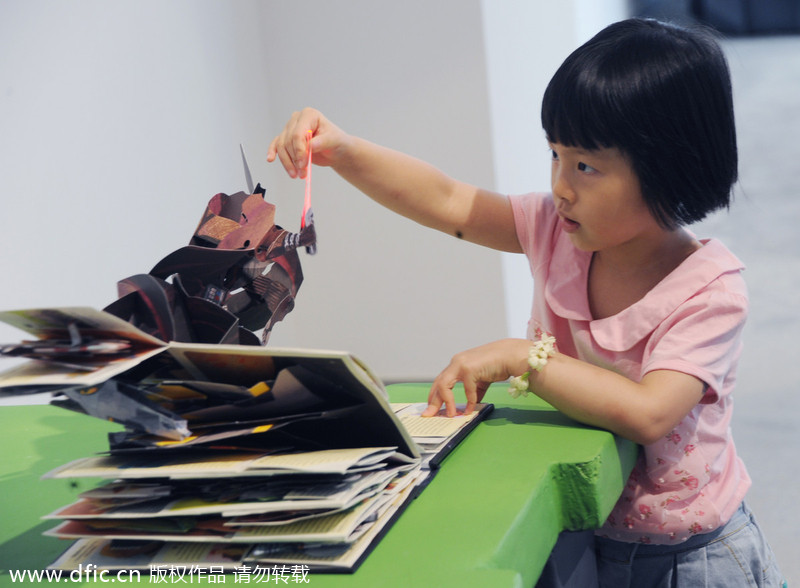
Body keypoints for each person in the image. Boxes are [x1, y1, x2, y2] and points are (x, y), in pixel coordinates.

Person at [268, 17, 785, 588]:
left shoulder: (708, 288)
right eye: (555, 155)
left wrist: (524, 358)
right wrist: (344, 151)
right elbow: (446, 200)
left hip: (693, 560)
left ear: (670, 168)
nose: (561, 185)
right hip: (586, 537)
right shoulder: (554, 229)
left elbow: (650, 413)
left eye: (586, 165)